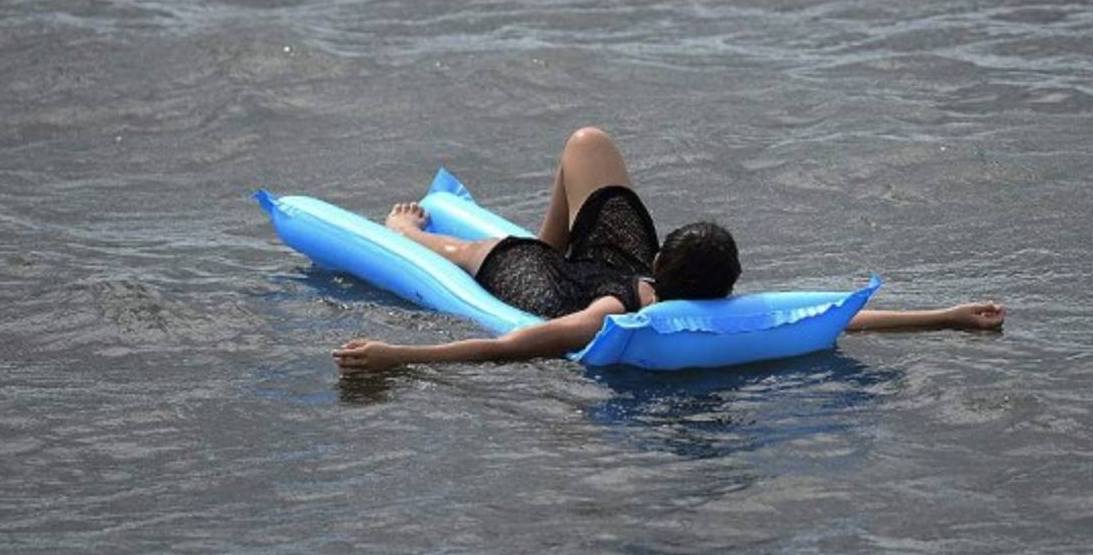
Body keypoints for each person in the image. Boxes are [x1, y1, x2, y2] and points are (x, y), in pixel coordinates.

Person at [333, 127, 1004, 372]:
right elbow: (843, 316)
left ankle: (409, 232)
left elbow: (508, 347)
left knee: (483, 250)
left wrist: (400, 357)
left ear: (662, 261)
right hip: (617, 265)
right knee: (589, 143)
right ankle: (548, 236)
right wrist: (944, 317)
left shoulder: (608, 317)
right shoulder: (721, 300)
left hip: (565, 287)